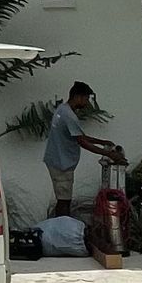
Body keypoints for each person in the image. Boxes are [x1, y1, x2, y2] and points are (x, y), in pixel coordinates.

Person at [43, 81, 122, 218]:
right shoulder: (69, 116)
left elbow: (80, 136)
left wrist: (102, 142)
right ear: (78, 97)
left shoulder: (63, 109)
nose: (86, 103)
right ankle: (64, 229)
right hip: (61, 164)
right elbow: (82, 142)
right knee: (64, 201)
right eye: (86, 99)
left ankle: (61, 227)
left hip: (58, 161)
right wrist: (108, 154)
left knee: (63, 199)